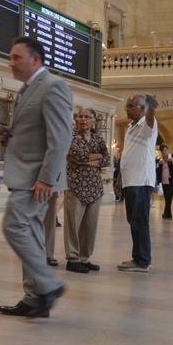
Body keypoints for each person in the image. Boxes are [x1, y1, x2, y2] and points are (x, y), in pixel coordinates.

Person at [0, 37, 72, 318]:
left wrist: (47, 179)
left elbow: (61, 136)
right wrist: (9, 132)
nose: (10, 63)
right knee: (33, 233)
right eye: (10, 58)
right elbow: (36, 129)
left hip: (37, 177)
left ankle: (48, 286)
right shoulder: (28, 89)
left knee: (14, 225)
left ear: (35, 59)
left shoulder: (53, 86)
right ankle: (35, 297)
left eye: (16, 58)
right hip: (27, 173)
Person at [63, 107, 110, 273]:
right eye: (80, 116)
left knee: (90, 225)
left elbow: (107, 159)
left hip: (95, 188)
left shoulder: (98, 139)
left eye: (87, 117)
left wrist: (91, 160)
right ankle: (73, 258)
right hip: (76, 186)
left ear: (93, 121)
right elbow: (77, 156)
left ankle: (84, 257)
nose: (83, 119)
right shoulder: (72, 138)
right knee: (73, 225)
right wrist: (96, 157)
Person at [118, 93, 158, 271]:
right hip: (130, 179)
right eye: (127, 106)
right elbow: (127, 153)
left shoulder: (147, 124)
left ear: (143, 109)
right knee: (133, 220)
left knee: (140, 220)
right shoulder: (131, 127)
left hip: (141, 180)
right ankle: (138, 257)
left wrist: (152, 108)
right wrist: (120, 178)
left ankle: (143, 261)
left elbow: (150, 120)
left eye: (131, 106)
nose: (127, 109)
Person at [155, 144, 173, 219]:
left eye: (165, 150)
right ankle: (168, 214)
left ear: (167, 150)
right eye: (162, 151)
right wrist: (158, 164)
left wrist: (172, 160)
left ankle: (166, 213)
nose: (164, 152)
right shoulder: (160, 160)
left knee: (168, 195)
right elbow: (157, 170)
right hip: (164, 182)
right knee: (167, 197)